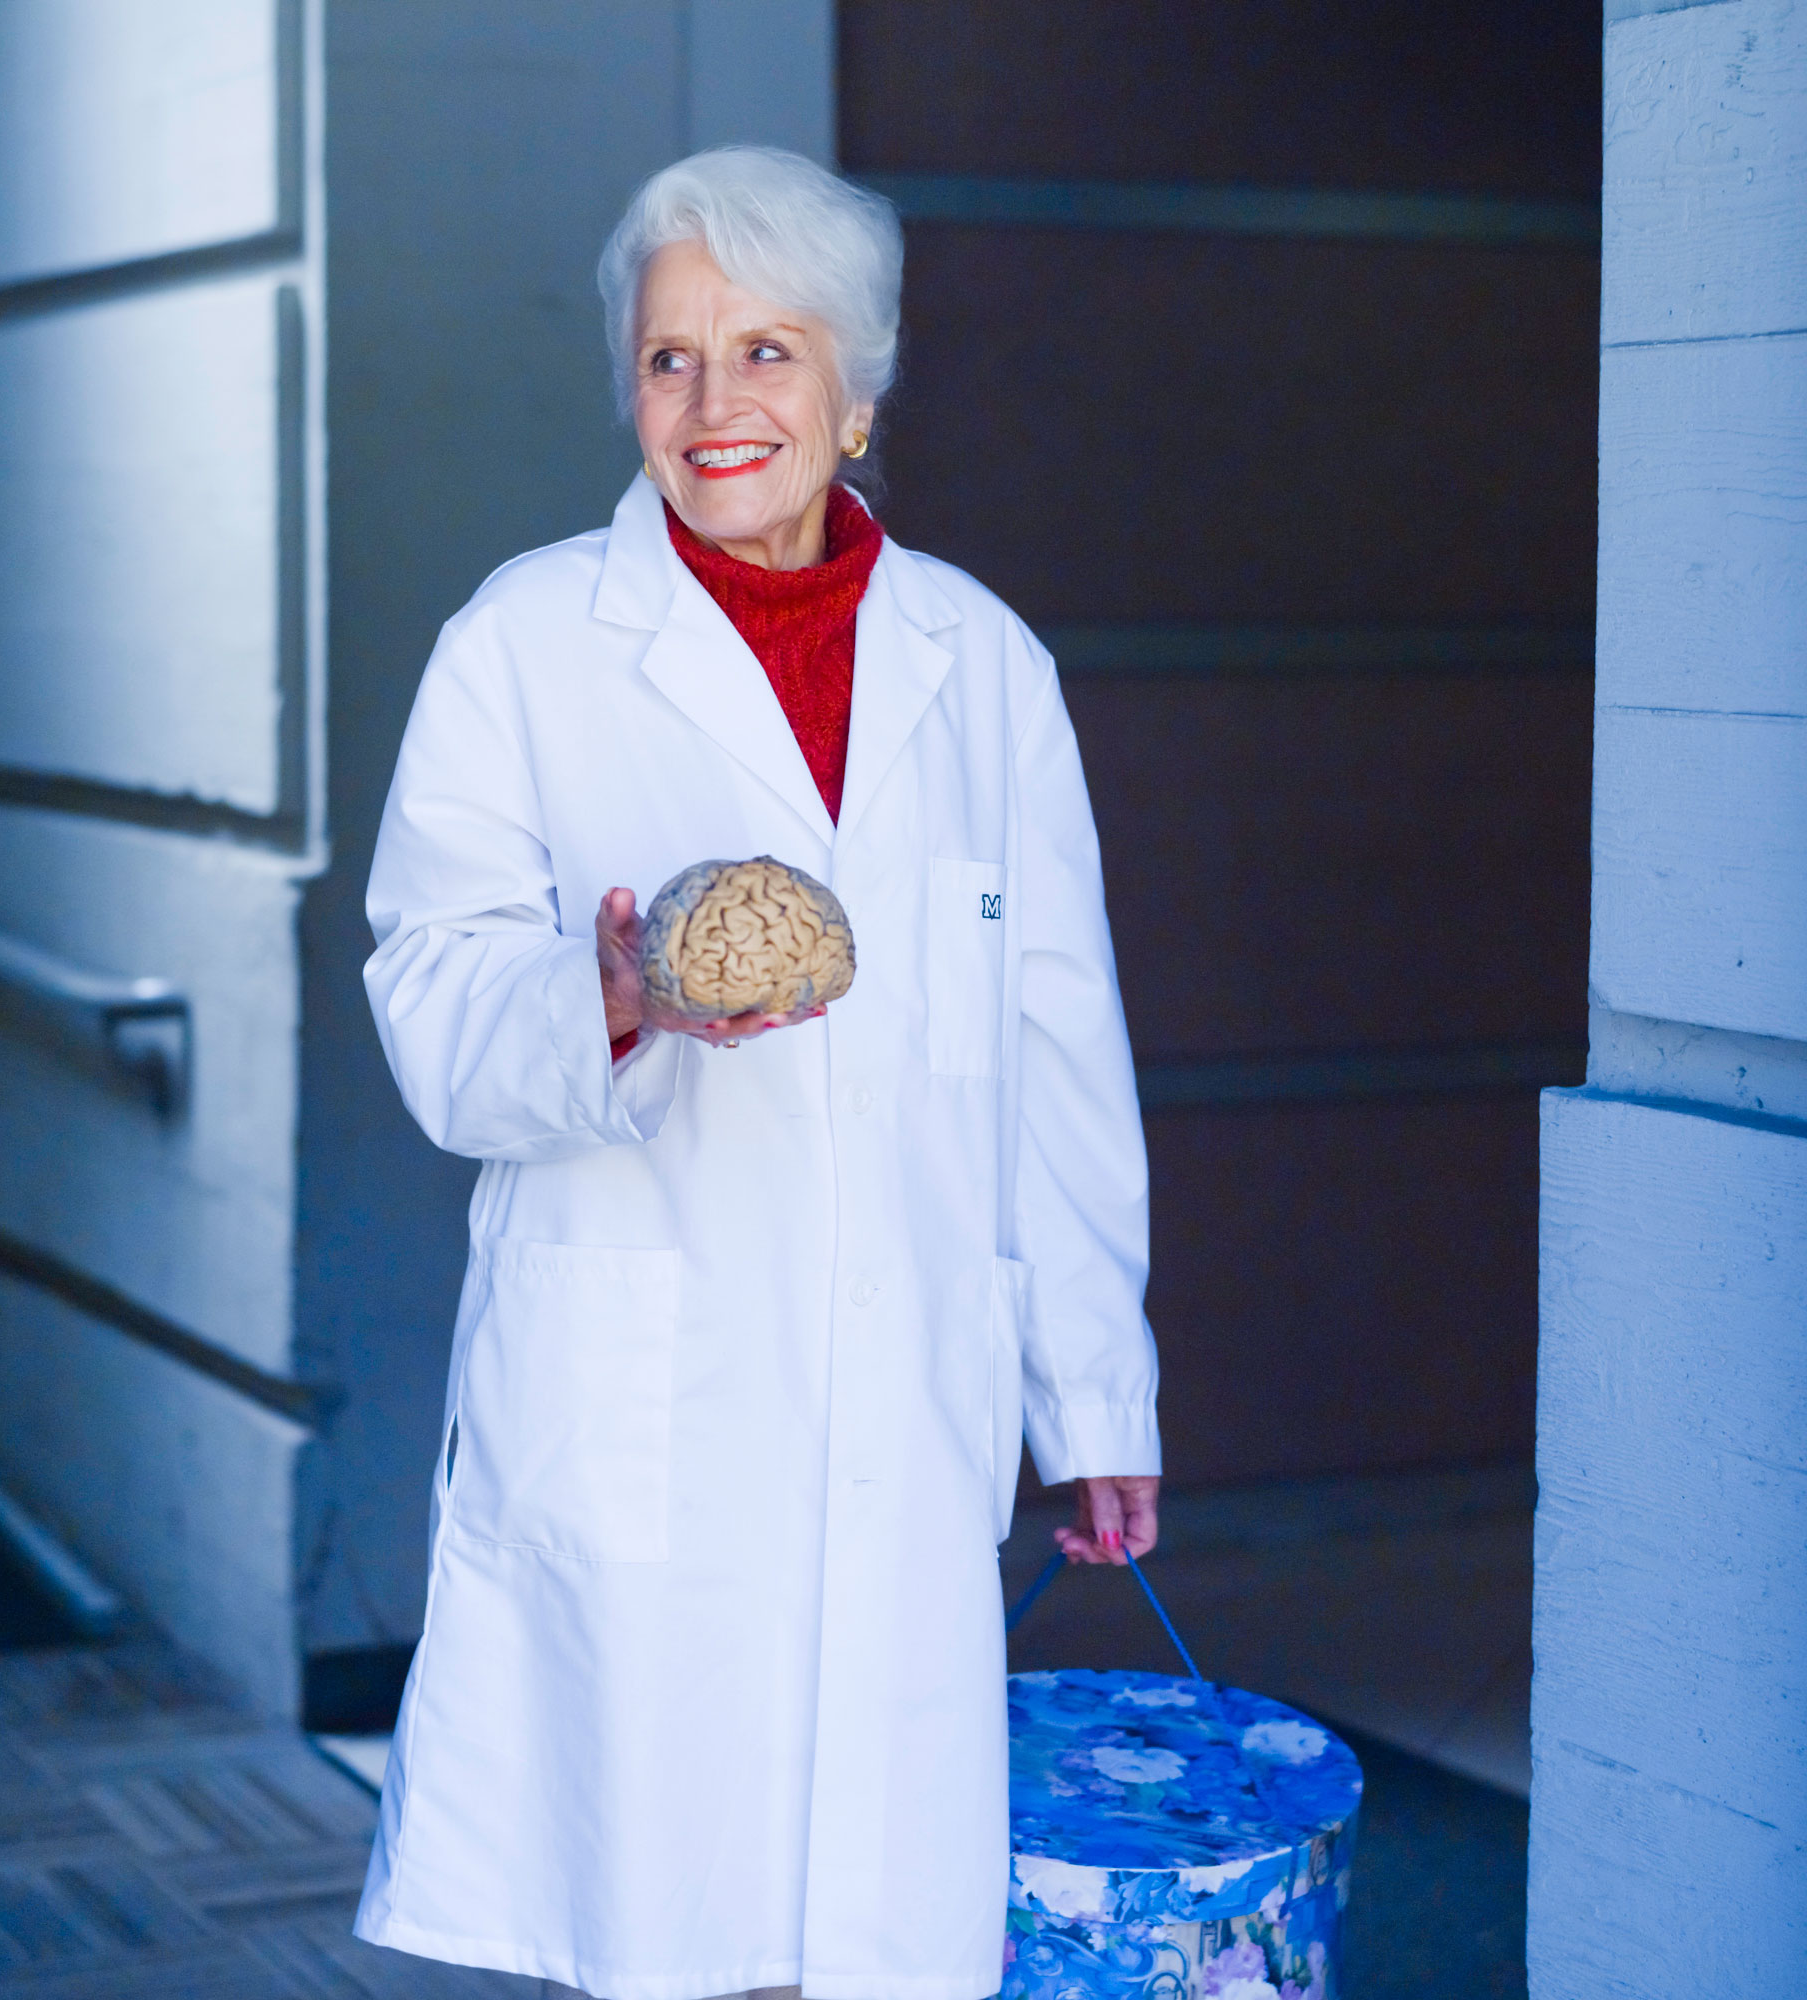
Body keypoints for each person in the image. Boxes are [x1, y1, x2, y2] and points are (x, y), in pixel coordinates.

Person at [355, 146, 1161, 2000]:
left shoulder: (985, 664)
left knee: (886, 1929)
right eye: (670, 360)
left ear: (857, 391)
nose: (717, 408)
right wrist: (624, 992)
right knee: (667, 1918)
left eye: (770, 353)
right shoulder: (524, 646)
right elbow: (431, 1005)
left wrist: (1094, 1389)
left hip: (907, 1398)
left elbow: (1056, 1041)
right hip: (651, 1406)